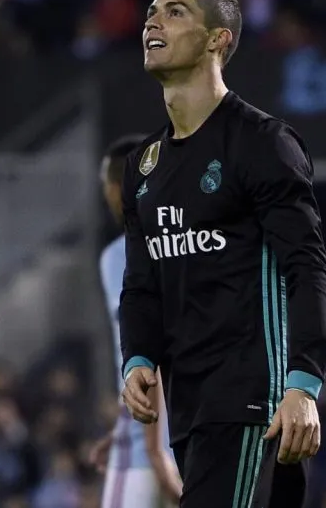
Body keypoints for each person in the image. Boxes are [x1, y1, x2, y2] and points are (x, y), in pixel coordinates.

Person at [119, 0, 326, 507]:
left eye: (175, 11)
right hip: (189, 411)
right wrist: (138, 356)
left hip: (251, 405)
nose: (153, 21)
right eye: (151, 11)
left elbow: (305, 267)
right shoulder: (145, 166)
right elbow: (143, 281)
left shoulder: (262, 143)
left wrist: (303, 383)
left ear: (219, 40)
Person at [92, 135, 182, 507]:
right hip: (176, 428)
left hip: (151, 438)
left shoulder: (126, 256)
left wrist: (149, 445)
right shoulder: (182, 246)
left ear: (115, 188)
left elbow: (153, 346)